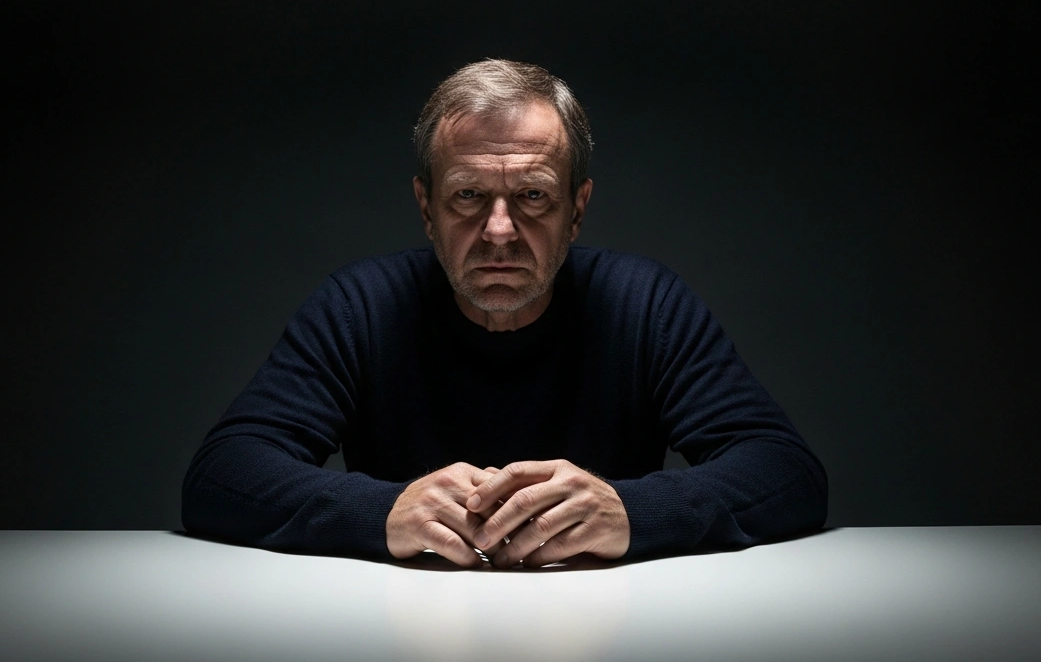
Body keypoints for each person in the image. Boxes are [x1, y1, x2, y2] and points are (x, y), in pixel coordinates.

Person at [181, 59, 827, 568]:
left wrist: (631, 511)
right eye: (468, 195)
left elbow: (787, 472)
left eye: (532, 196)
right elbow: (222, 474)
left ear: (577, 208)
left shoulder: (644, 303)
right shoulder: (361, 306)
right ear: (425, 206)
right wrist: (382, 512)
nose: (499, 230)